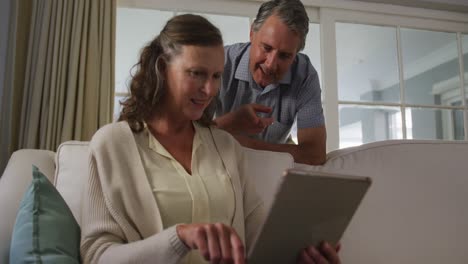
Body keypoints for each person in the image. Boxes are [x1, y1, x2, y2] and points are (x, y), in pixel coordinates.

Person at [80, 14, 340, 264]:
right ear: (162, 68)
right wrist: (179, 237)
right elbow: (96, 256)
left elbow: (258, 239)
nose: (209, 91)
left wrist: (299, 256)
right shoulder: (111, 144)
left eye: (216, 76)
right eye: (196, 73)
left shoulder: (226, 146)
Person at [214, 0, 326, 165]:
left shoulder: (305, 76)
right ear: (252, 33)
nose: (270, 64)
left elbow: (315, 154)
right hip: (221, 163)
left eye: (284, 56)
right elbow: (186, 135)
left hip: (273, 170)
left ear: (296, 54)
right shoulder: (219, 63)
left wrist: (246, 146)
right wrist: (228, 124)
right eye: (266, 48)